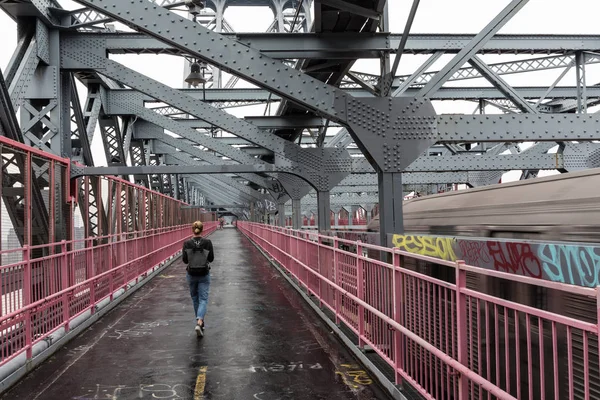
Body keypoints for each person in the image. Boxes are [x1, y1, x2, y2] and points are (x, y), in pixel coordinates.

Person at [182, 221, 214, 337]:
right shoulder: (207, 242)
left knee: (195, 298)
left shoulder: (187, 243)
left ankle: (199, 322)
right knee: (203, 299)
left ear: (192, 229)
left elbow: (185, 261)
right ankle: (200, 321)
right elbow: (211, 259)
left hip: (191, 274)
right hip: (204, 274)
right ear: (202, 229)